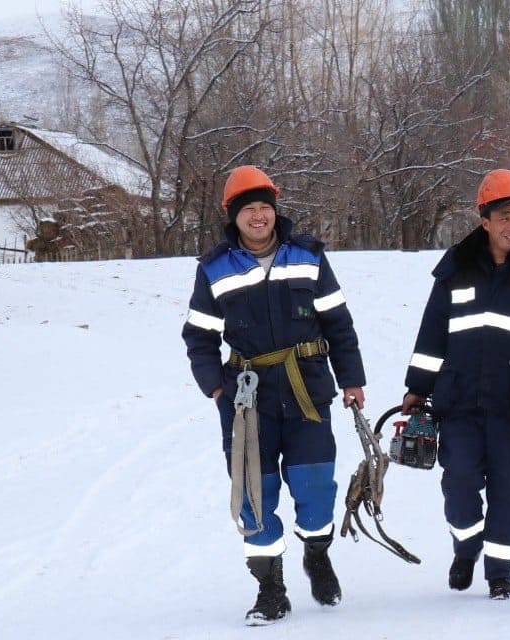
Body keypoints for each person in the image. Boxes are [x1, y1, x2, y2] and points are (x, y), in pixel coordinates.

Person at [182, 165, 367, 625]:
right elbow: (199, 336)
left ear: (275, 210)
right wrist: (216, 386)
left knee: (315, 487)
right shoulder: (214, 268)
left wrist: (351, 380)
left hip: (307, 391)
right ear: (234, 216)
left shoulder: (308, 257)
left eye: (264, 207)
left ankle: (317, 554)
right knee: (254, 495)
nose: (258, 216)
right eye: (248, 209)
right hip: (247, 402)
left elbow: (339, 325)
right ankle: (271, 588)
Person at [401, 169, 510, 601]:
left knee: (507, 491)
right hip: (457, 400)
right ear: (485, 221)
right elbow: (432, 334)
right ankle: (466, 546)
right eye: (505, 217)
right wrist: (418, 386)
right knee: (458, 482)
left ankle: (500, 573)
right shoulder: (456, 268)